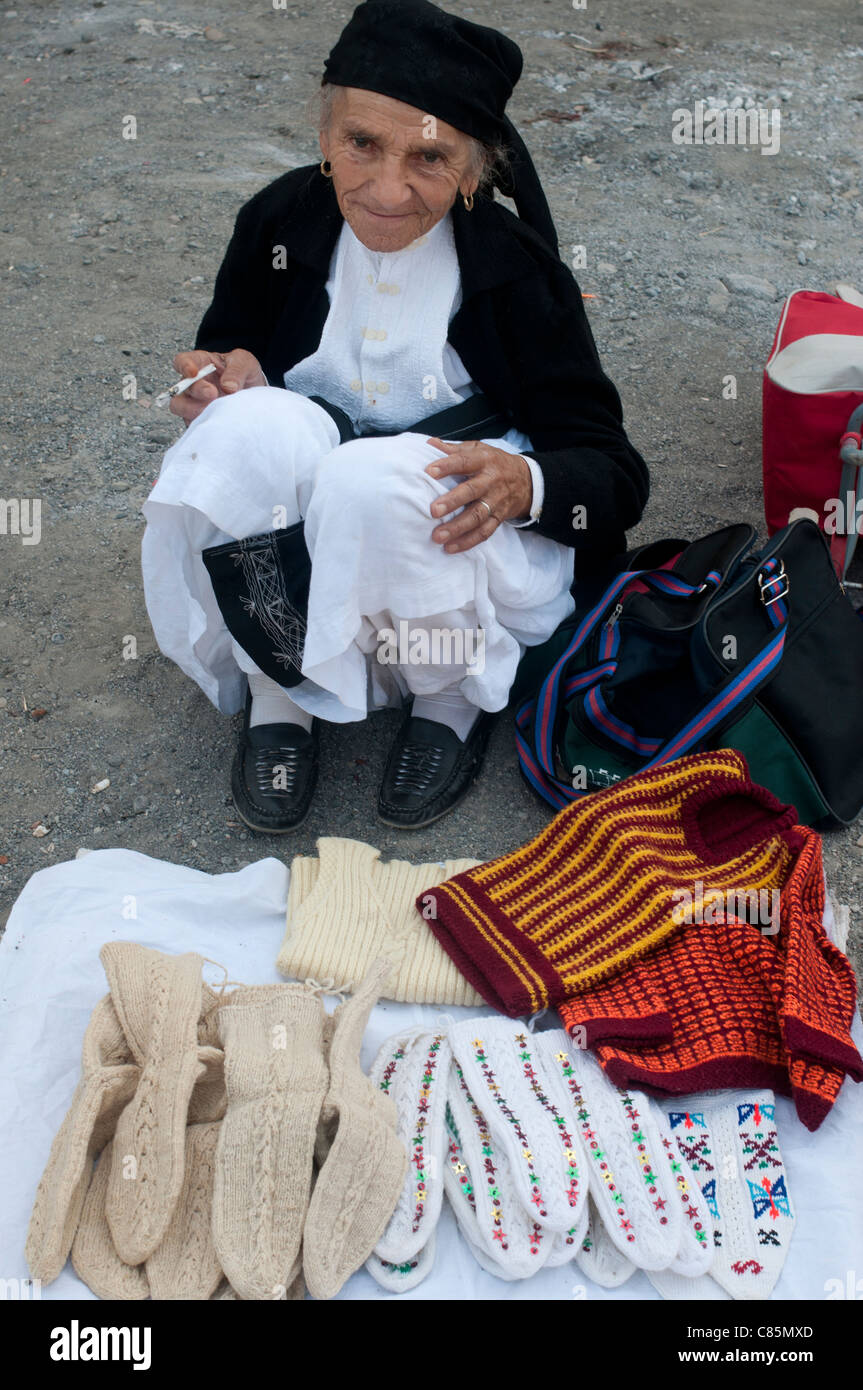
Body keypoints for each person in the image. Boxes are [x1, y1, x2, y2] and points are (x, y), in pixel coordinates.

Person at [141, 0, 648, 834]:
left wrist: (524, 481)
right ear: (323, 136)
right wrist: (218, 380)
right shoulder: (279, 221)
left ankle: (449, 703)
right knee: (242, 431)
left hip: (446, 551)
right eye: (362, 144)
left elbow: (612, 471)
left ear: (474, 171)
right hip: (315, 536)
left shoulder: (513, 272)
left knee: (378, 477)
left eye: (428, 157)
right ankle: (281, 691)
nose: (385, 188)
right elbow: (227, 343)